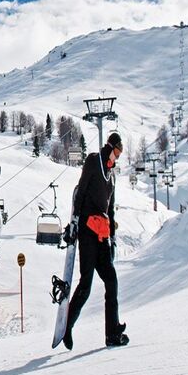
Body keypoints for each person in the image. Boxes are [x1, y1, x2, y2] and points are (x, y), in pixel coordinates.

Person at [63, 132, 129, 349]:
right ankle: (67, 326)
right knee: (86, 284)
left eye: (119, 154)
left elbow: (110, 210)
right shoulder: (93, 162)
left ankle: (112, 333)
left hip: (102, 236)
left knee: (111, 280)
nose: (117, 157)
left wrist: (112, 239)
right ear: (110, 147)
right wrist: (74, 222)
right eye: (116, 152)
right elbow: (80, 193)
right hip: (87, 232)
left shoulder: (112, 177)